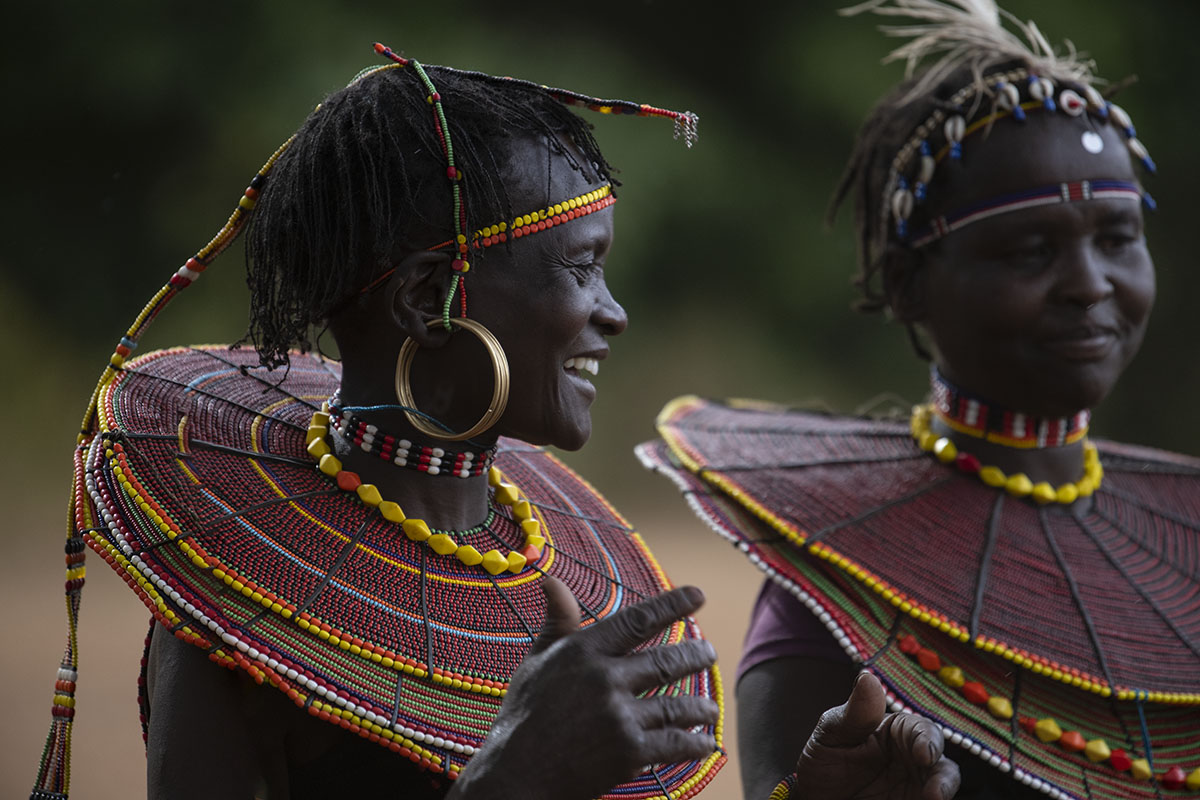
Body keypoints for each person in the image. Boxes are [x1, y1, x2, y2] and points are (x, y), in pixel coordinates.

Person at [30, 43, 958, 800]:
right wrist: (516, 779)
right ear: (431, 298)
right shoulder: (239, 606)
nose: (614, 312)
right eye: (581, 268)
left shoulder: (538, 560)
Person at [640, 2, 1200, 799]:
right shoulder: (839, 580)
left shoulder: (1183, 557)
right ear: (908, 288)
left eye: (1116, 239)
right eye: (1031, 250)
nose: (1088, 284)